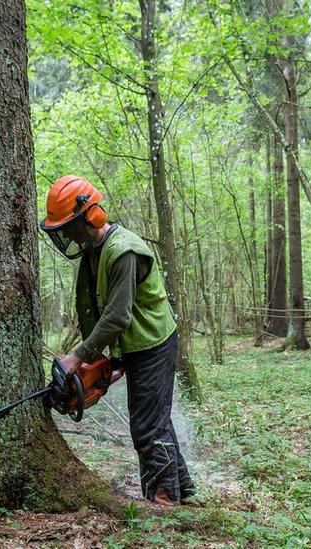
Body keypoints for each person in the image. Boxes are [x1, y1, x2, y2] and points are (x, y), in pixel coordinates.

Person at [39, 175, 195, 505]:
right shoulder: (93, 253)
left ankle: (164, 500)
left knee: (147, 426)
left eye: (69, 226)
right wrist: (104, 360)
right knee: (155, 420)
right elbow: (96, 310)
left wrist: (78, 356)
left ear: (89, 217)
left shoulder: (123, 251)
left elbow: (118, 315)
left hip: (153, 342)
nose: (66, 234)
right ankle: (185, 490)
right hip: (134, 344)